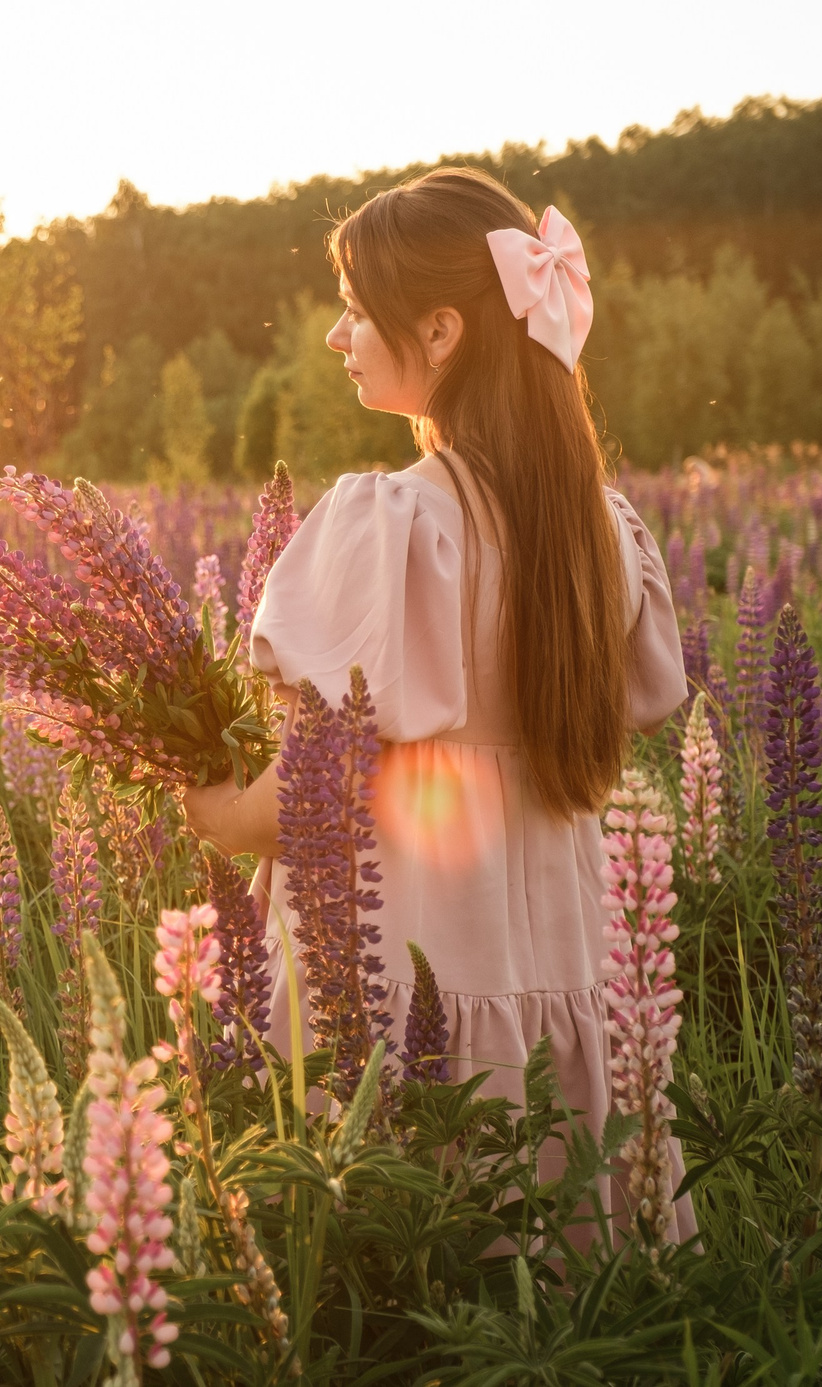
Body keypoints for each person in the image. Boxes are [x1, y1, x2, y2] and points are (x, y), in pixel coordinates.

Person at [179, 165, 692, 1242]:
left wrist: (213, 809)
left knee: (404, 1253)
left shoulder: (394, 524)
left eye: (358, 312)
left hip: (395, 966)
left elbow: (313, 788)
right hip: (566, 961)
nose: (336, 336)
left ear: (444, 332)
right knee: (558, 1252)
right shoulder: (596, 525)